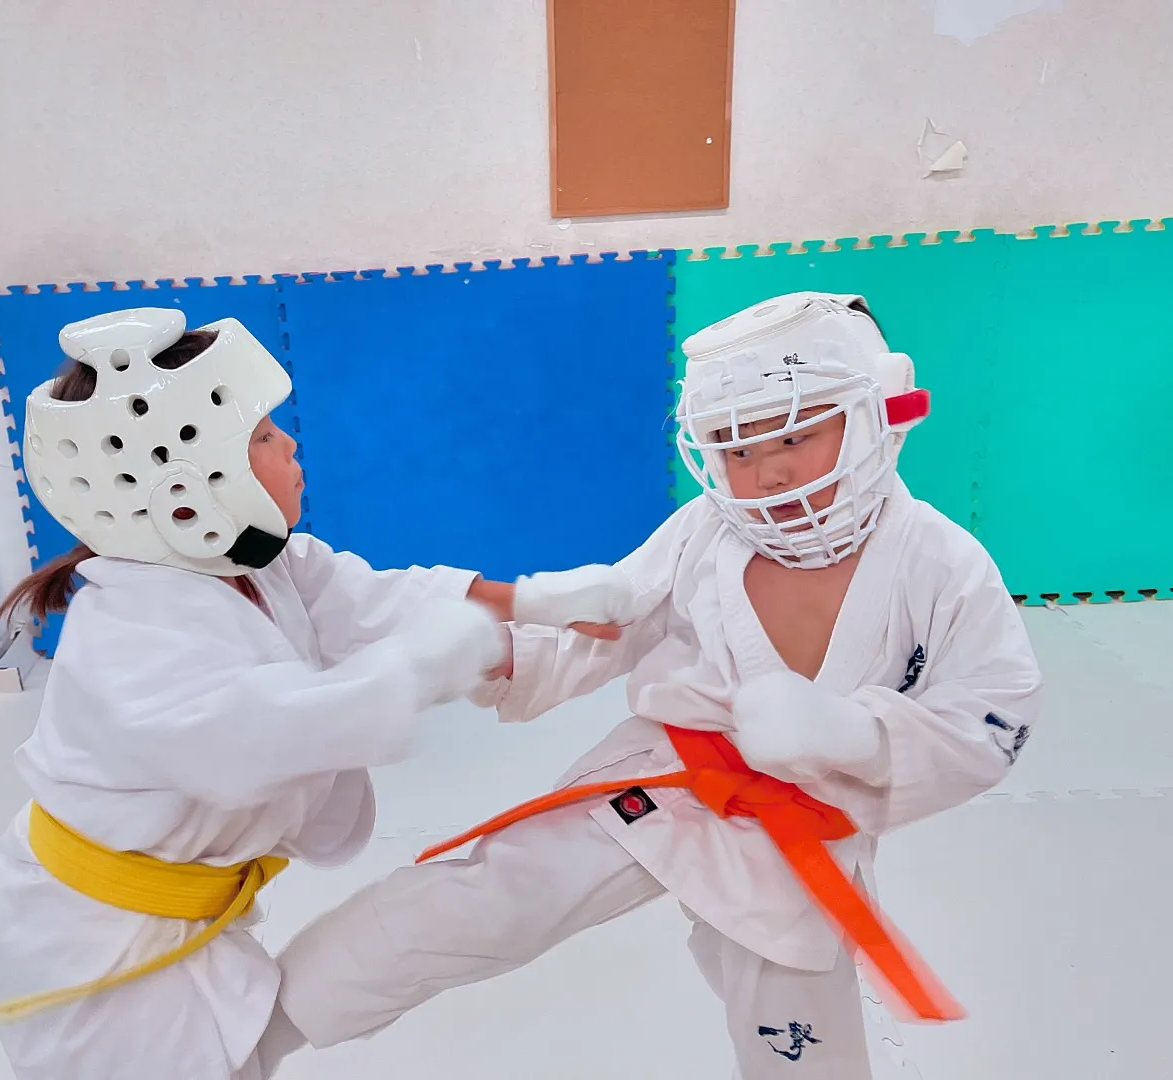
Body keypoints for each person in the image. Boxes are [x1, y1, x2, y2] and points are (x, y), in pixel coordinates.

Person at [268, 292, 1043, 1079]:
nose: (768, 470)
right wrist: (493, 651)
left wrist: (854, 737)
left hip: (798, 833)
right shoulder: (707, 531)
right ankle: (261, 1024)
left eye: (798, 435)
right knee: (479, 897)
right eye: (737, 451)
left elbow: (995, 711)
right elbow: (614, 627)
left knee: (801, 1034)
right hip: (666, 778)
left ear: (880, 412)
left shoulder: (943, 565)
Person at [0, 307, 635, 1080]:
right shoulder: (131, 636)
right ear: (188, 484)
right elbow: (261, 735)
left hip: (184, 917)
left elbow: (376, 599)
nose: (288, 444)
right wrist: (418, 672)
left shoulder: (258, 564)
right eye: (261, 435)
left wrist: (534, 600)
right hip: (96, 952)